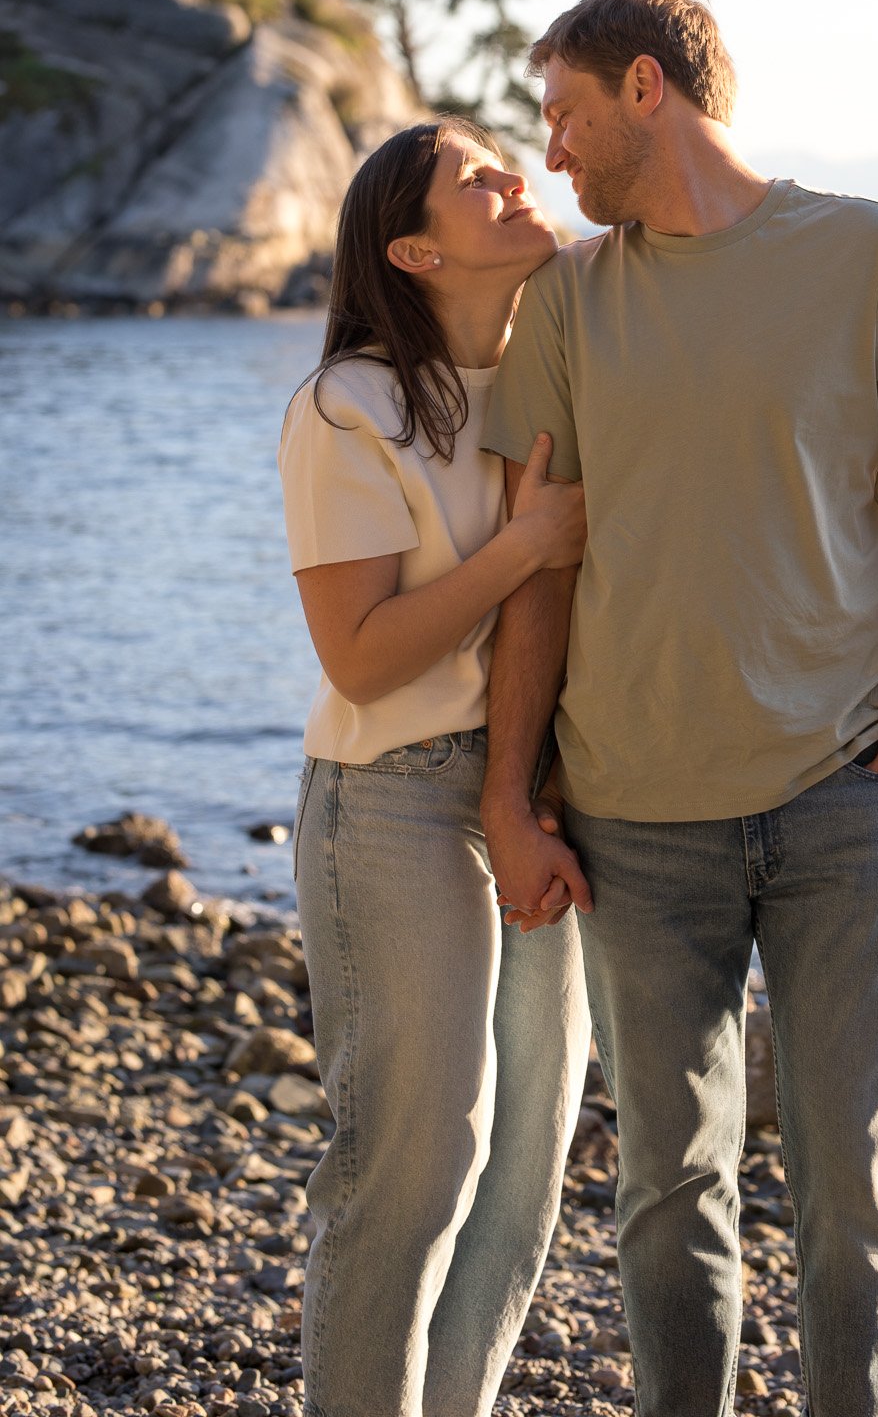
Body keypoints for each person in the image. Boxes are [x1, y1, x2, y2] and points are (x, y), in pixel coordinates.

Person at [480, 0, 878, 1417]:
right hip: (634, 819)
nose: (552, 151)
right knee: (666, 1191)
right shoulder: (573, 300)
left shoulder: (870, 255)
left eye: (565, 113)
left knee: (858, 1192)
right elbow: (540, 569)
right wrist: (511, 799)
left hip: (841, 807)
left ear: (648, 85)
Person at [277, 117, 591, 1417]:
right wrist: (518, 552)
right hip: (392, 804)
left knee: (521, 1170)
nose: (512, 174)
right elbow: (360, 658)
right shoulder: (348, 406)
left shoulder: (557, 381)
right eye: (474, 176)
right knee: (415, 1163)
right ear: (411, 250)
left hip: (540, 796)